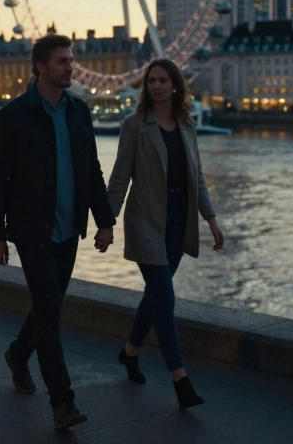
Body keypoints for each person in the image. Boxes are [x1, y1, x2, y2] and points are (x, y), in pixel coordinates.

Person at [0, 33, 116, 429]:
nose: (70, 67)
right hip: (31, 228)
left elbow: (91, 170)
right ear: (40, 66)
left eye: (71, 60)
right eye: (62, 61)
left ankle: (18, 355)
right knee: (50, 313)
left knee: (48, 307)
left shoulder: (79, 111)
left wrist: (105, 221)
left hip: (68, 227)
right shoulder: (13, 115)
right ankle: (63, 402)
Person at [105, 58, 224, 409]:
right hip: (146, 221)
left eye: (162, 80)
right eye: (151, 81)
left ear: (175, 85)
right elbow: (119, 177)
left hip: (178, 222)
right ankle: (180, 378)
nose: (155, 86)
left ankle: (130, 351)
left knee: (155, 295)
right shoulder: (135, 125)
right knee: (165, 299)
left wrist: (211, 218)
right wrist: (107, 223)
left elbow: (197, 178)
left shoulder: (187, 125)